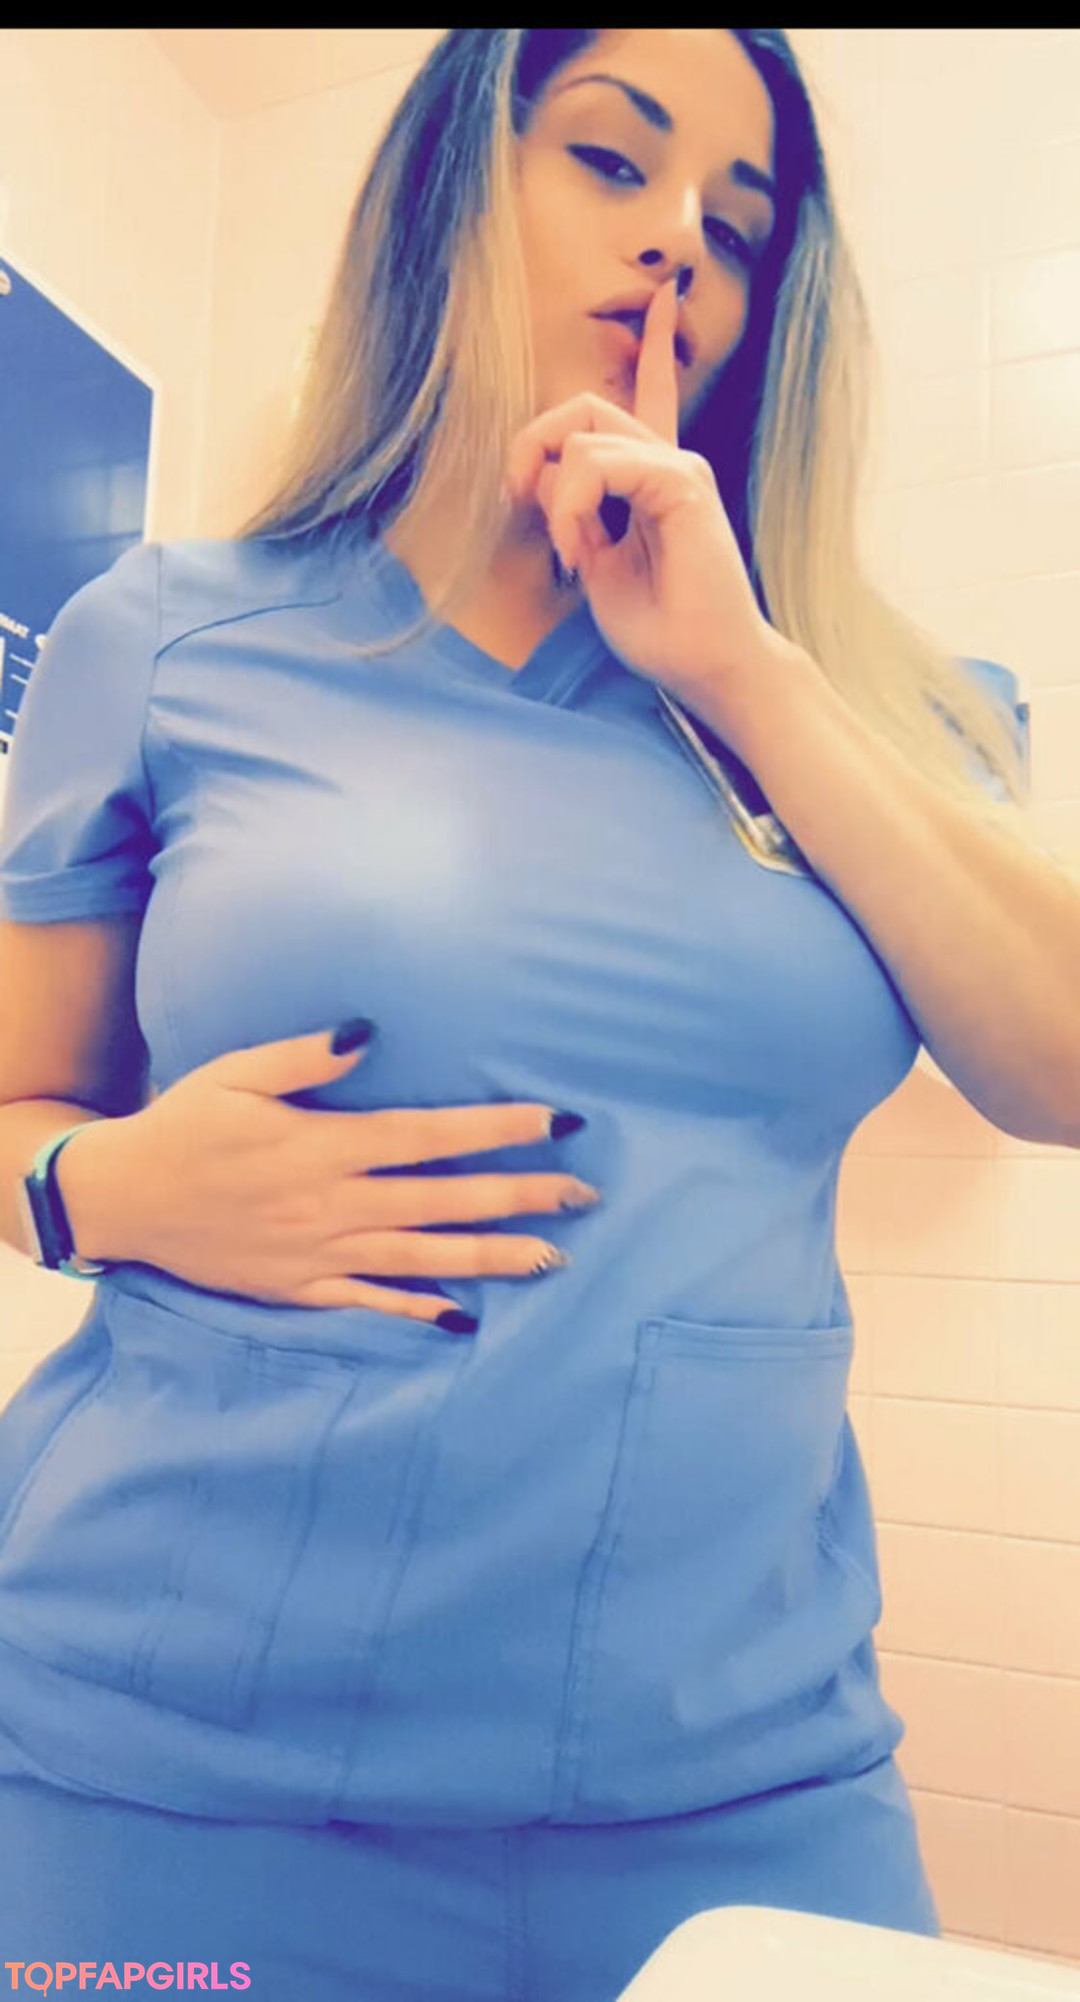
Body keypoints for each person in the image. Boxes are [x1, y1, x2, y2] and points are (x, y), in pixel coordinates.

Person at [0, 27, 1065, 2002]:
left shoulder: (879, 700)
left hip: (739, 1775)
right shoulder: (160, 634)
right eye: (611, 156)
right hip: (167, 1768)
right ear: (450, 181)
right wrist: (104, 1187)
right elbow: (18, 1105)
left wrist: (740, 664)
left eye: (738, 224)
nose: (676, 243)